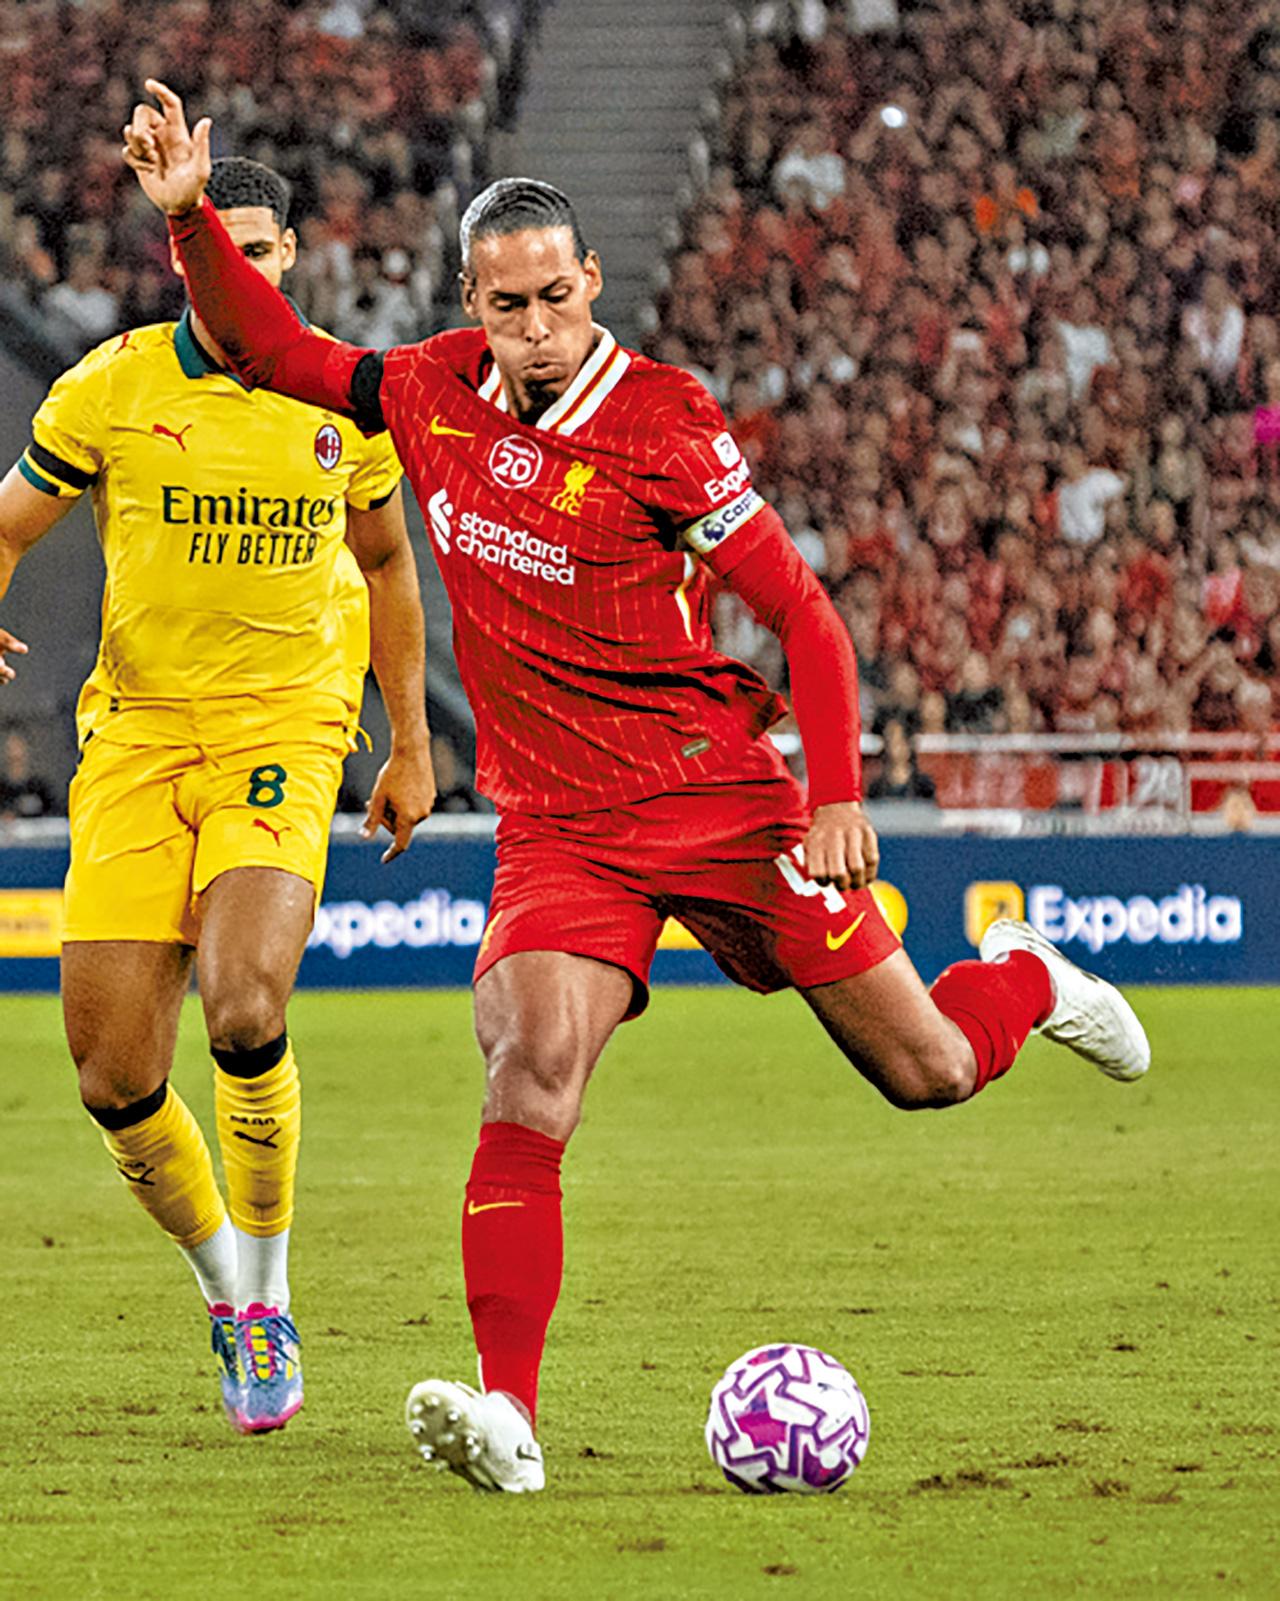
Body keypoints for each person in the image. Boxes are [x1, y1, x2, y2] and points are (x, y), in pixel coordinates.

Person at [121, 83, 1150, 1493]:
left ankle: (1027, 977)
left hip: (714, 799)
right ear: (471, 303)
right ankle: (509, 1413)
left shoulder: (665, 421)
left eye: (556, 297)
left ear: (591, 281)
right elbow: (270, 344)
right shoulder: (425, 390)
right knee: (528, 1074)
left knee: (929, 1070)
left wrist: (836, 794)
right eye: (508, 306)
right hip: (559, 827)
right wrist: (190, 220)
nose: (536, 327)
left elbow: (804, 616)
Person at [0, 154, 435, 1436]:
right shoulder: (113, 384)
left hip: (285, 724)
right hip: (138, 737)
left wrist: (409, 742)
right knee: (113, 1076)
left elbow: (387, 564)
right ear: (182, 258)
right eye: (214, 245)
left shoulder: (342, 399)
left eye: (259, 246)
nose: (237, 265)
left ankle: (271, 1289)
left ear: (288, 256)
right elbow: (12, 521)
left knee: (245, 1007)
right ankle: (224, 1288)